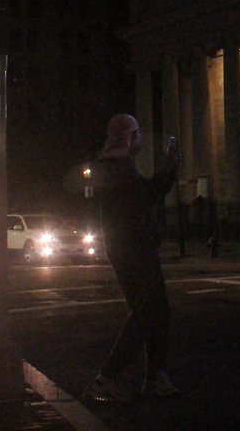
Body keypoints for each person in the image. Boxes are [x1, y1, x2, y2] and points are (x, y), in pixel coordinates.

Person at [83, 114, 180, 402]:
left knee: (157, 311)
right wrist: (169, 166)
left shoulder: (116, 166)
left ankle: (155, 376)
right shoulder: (117, 168)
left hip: (135, 247)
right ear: (128, 137)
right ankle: (107, 377)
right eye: (136, 134)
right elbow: (148, 196)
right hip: (132, 249)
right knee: (147, 311)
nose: (140, 140)